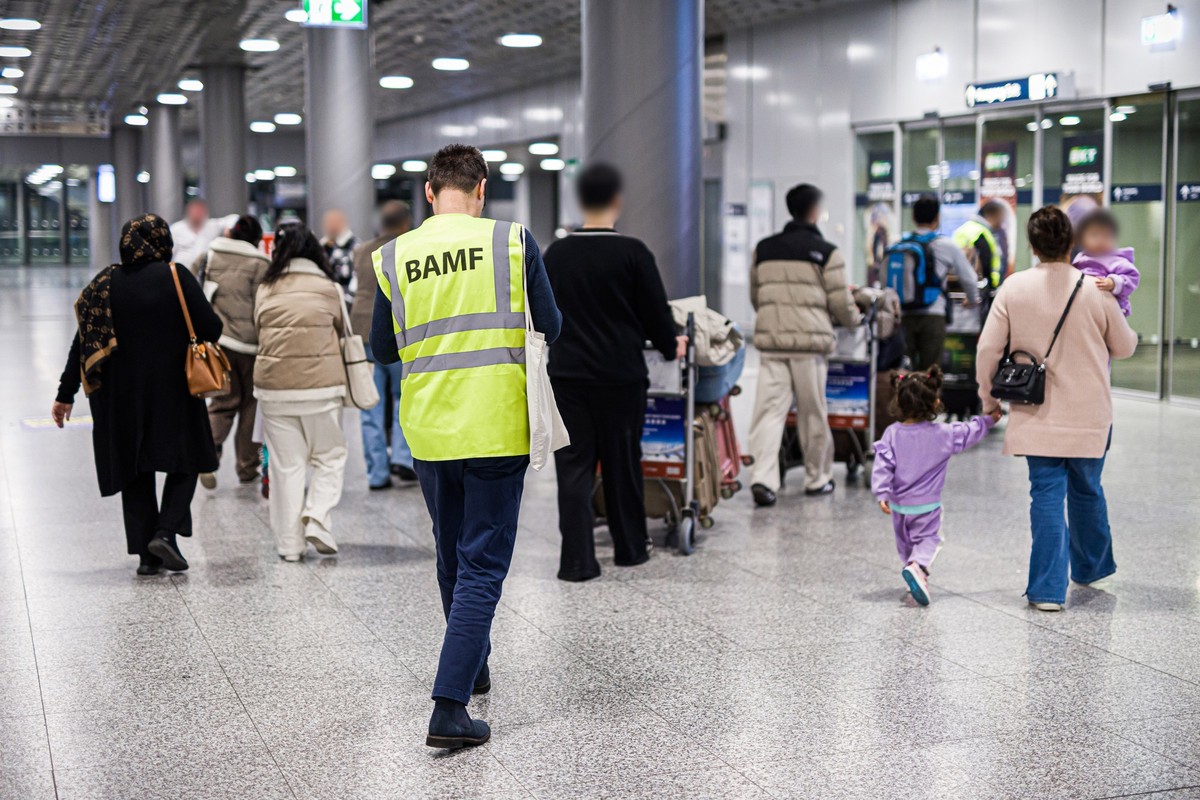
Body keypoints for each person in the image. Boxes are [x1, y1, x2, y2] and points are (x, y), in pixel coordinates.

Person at [370, 144, 561, 749]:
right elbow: (551, 325)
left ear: (429, 192)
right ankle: (449, 708)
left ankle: (472, 659)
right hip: (498, 423)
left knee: (452, 555)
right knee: (483, 563)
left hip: (429, 428)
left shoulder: (394, 255)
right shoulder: (512, 241)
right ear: (481, 189)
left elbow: (382, 349)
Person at [976, 206, 1138, 612]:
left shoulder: (1013, 288)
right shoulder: (1094, 288)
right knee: (1087, 489)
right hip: (1091, 416)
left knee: (1046, 495)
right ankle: (1091, 567)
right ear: (1071, 243)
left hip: (1037, 414)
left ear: (1032, 245)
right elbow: (1125, 346)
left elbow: (987, 350)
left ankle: (1048, 591)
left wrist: (988, 400)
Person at [52, 214, 221, 575]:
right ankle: (166, 532)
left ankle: (148, 557)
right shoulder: (176, 277)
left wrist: (64, 394)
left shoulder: (105, 283)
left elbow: (83, 341)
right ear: (163, 242)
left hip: (121, 396)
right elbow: (212, 328)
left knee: (136, 469)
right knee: (188, 459)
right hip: (175, 390)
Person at [543, 163, 684, 582]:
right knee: (622, 464)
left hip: (568, 376)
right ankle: (628, 549)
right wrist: (668, 345)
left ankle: (577, 561)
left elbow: (543, 315)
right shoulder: (633, 252)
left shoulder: (557, 253)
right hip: (621, 377)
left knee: (572, 468)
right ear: (617, 201)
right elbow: (656, 314)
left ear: (581, 201)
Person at [747, 183, 862, 506]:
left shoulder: (764, 248)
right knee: (812, 413)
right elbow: (841, 303)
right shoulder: (827, 252)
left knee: (769, 413)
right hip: (809, 347)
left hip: (772, 344)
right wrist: (855, 320)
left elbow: (757, 297)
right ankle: (817, 478)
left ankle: (763, 479)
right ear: (814, 211)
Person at [253, 222, 349, 562]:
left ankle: (289, 547)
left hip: (274, 389)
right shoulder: (329, 287)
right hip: (322, 388)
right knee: (330, 456)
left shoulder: (265, 287)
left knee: (286, 467)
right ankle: (318, 517)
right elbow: (342, 330)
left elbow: (258, 330)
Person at [871, 365, 1000, 606]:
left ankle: (914, 571)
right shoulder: (943, 433)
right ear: (934, 403)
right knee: (930, 539)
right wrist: (988, 420)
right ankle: (918, 568)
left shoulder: (891, 433)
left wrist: (882, 492)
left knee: (906, 545)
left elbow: (882, 464)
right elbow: (970, 431)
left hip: (899, 507)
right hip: (927, 506)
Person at [190, 215, 270, 489]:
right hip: (252, 346)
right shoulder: (261, 263)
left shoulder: (209, 257)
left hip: (219, 343)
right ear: (257, 239)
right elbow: (265, 305)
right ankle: (247, 468)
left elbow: (192, 292)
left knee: (222, 403)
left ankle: (208, 457)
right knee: (251, 406)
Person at [351, 200, 415, 489]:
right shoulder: (409, 247)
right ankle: (402, 459)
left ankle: (377, 473)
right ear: (404, 224)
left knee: (370, 404)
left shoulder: (361, 251)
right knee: (404, 397)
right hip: (399, 330)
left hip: (363, 330)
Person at [901, 194, 981, 371]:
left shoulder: (900, 245)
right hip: (933, 314)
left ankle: (905, 398)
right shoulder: (945, 245)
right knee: (931, 373)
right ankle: (928, 399)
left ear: (913, 217)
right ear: (937, 219)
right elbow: (969, 278)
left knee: (905, 371)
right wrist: (973, 299)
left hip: (904, 315)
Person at [1073, 209, 1139, 318]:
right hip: (1086, 309)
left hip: (1111, 310)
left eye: (1107, 236)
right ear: (1082, 239)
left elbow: (1132, 276)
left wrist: (1113, 283)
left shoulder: (1116, 259)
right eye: (1094, 235)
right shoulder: (1080, 258)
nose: (1101, 241)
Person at [952, 200, 1006, 290]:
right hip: (977, 288)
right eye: (1000, 218)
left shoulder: (965, 228)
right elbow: (985, 262)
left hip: (957, 285)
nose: (1000, 223)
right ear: (990, 215)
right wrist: (990, 287)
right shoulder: (980, 233)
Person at [170, 199, 238, 270]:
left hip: (205, 273)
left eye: (200, 211)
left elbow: (234, 218)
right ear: (188, 212)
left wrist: (229, 229)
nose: (197, 214)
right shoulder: (176, 229)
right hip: (181, 274)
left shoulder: (212, 226)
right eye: (195, 211)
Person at [321, 208, 358, 290]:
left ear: (344, 223)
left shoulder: (355, 247)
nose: (332, 226)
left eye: (336, 222)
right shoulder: (320, 247)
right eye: (329, 222)